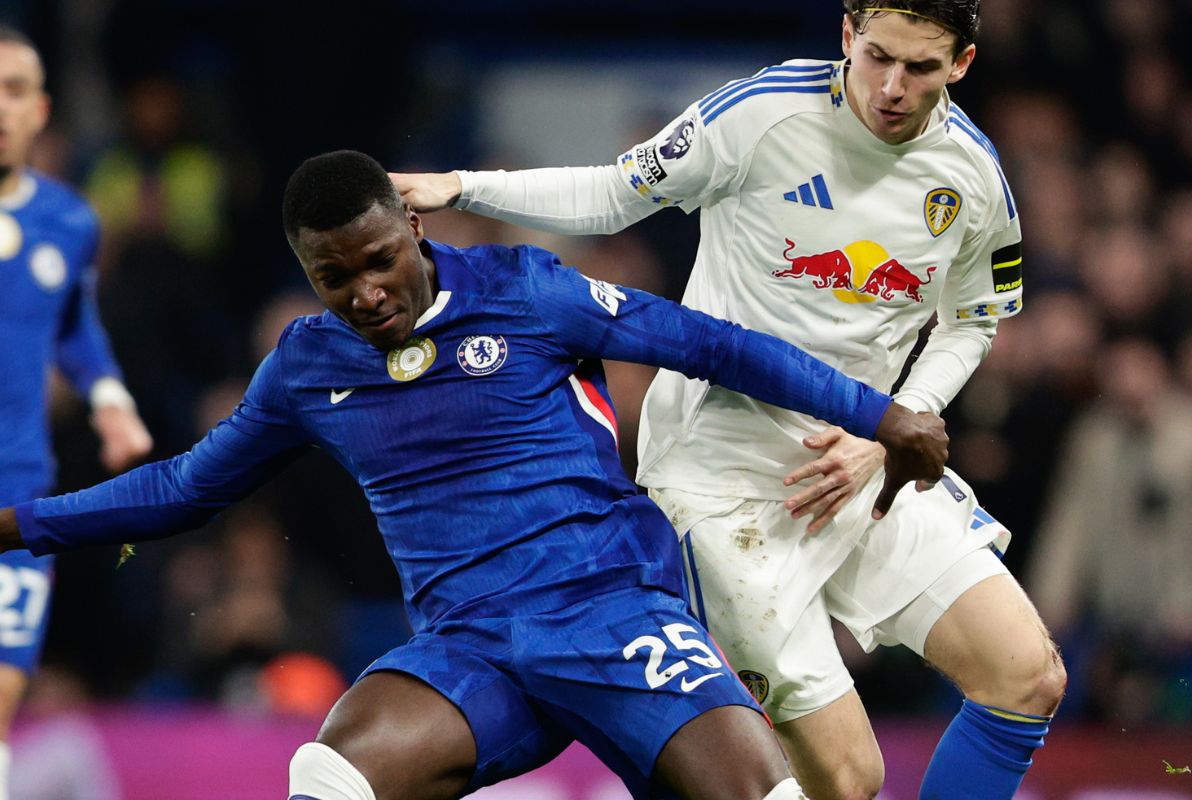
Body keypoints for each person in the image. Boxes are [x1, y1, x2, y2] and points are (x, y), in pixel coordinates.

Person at [0, 150, 948, 800]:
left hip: (613, 614)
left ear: (412, 225)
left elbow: (713, 345)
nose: (367, 293)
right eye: (335, 279)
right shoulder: (305, 367)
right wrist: (15, 524)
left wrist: (883, 415)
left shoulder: (526, 291)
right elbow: (181, 489)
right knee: (327, 779)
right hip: (470, 651)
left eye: (379, 260)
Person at [390, 2, 1067, 798]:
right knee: (849, 779)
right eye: (877, 56)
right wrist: (461, 187)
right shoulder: (760, 116)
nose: (891, 86)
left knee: (1028, 677)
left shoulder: (972, 175)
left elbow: (973, 319)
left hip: (861, 463)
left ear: (961, 64)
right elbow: (615, 192)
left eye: (919, 68)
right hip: (722, 484)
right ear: (847, 36)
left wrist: (896, 424)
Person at [0, 27, 152, 800]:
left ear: (41, 110)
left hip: (16, 493)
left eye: (14, 90)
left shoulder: (69, 221)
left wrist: (109, 400)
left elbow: (74, 323)